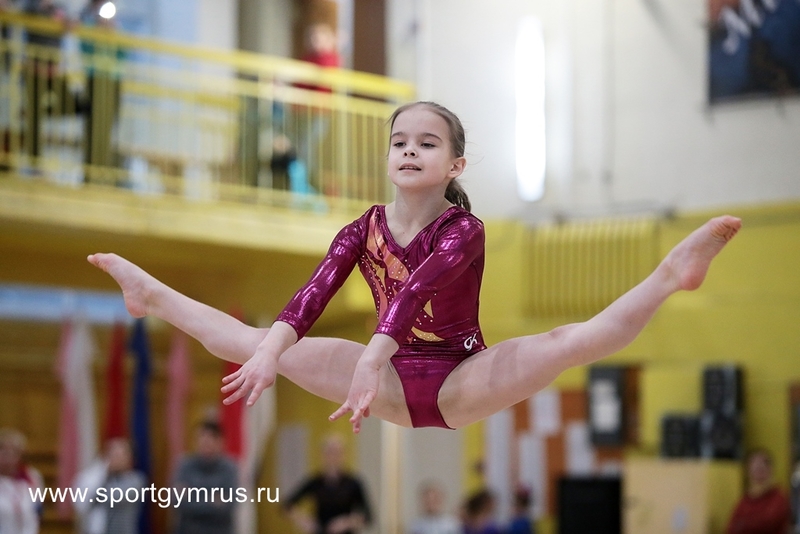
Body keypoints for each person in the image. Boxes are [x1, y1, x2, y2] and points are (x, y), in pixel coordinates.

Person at [86, 101, 742, 436]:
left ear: (455, 165)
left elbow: (416, 291)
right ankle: (151, 294)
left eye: (427, 143)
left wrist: (370, 362)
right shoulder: (362, 228)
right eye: (399, 141)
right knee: (250, 343)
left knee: (567, 341)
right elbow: (313, 294)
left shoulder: (464, 230)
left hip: (460, 378)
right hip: (389, 378)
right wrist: (270, 353)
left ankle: (671, 275)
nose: (409, 150)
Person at [284, 433, 372, 534]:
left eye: (337, 452)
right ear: (322, 455)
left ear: (344, 455)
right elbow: (287, 504)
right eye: (330, 452)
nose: (333, 456)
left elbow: (367, 515)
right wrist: (304, 521)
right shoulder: (315, 482)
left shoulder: (353, 483)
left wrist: (347, 522)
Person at [171, 420, 238, 534]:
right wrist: (213, 501)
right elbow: (177, 502)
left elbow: (228, 506)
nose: (205, 441)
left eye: (211, 437)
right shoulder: (184, 465)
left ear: (220, 441)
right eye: (201, 437)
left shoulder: (230, 468)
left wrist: (192, 497)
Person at [73, 437, 147, 534]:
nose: (115, 459)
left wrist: (102, 473)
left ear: (129, 458)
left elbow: (113, 497)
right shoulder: (106, 479)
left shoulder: (136, 481)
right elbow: (85, 500)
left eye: (119, 455)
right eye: (112, 455)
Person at [726, 448, 791, 534]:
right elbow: (731, 528)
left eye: (763, 464)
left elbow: (768, 523)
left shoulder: (778, 497)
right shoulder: (745, 501)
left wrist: (745, 524)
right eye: (755, 465)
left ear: (770, 469)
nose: (759, 467)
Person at [0, 427, 43, 534]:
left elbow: (37, 511)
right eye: (3, 450)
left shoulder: (32, 476)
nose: (8, 455)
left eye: (14, 451)